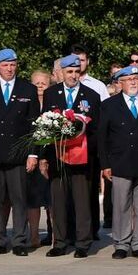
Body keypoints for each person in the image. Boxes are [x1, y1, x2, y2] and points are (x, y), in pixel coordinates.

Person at [41, 54, 104, 258]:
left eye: (77, 72)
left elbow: (97, 129)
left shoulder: (91, 95)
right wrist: (43, 156)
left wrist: (88, 149)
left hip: (83, 157)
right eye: (69, 72)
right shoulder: (51, 93)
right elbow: (44, 125)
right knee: (58, 201)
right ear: (61, 73)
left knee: (82, 200)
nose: (74, 75)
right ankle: (60, 241)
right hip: (57, 156)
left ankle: (83, 242)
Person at [97, 65, 138, 259]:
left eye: (136, 78)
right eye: (129, 79)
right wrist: (105, 164)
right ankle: (122, 243)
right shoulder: (109, 104)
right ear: (119, 83)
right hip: (120, 161)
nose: (133, 82)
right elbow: (102, 136)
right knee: (121, 204)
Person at [26, 70, 53, 248]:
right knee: (33, 199)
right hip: (31, 159)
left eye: (44, 82)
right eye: (36, 83)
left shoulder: (54, 105)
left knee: (52, 201)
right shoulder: (27, 104)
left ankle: (55, 236)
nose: (40, 86)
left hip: (51, 159)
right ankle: (34, 235)